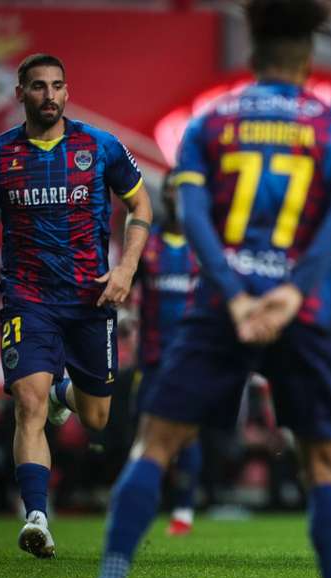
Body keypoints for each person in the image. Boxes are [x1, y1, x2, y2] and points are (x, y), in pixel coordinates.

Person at [84, 1, 331, 578]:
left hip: (220, 308)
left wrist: (237, 296)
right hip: (305, 311)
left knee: (154, 446)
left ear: (251, 54)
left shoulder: (209, 124)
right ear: (309, 57)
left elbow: (193, 220)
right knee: (320, 463)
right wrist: (291, 293)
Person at [0, 53, 153, 558]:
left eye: (58, 86)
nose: (50, 95)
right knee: (28, 403)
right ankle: (37, 516)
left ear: (67, 91)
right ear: (20, 93)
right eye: (38, 86)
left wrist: (127, 268)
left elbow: (140, 207)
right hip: (28, 299)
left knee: (98, 419)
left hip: (91, 297)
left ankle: (67, 392)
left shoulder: (101, 147)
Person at [133, 173, 202, 536]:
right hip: (153, 355)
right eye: (173, 191)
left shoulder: (203, 244)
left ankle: (184, 510)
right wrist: (126, 317)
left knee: (187, 434)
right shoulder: (148, 244)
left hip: (191, 355)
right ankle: (146, 503)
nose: (178, 197)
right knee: (146, 432)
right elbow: (126, 289)